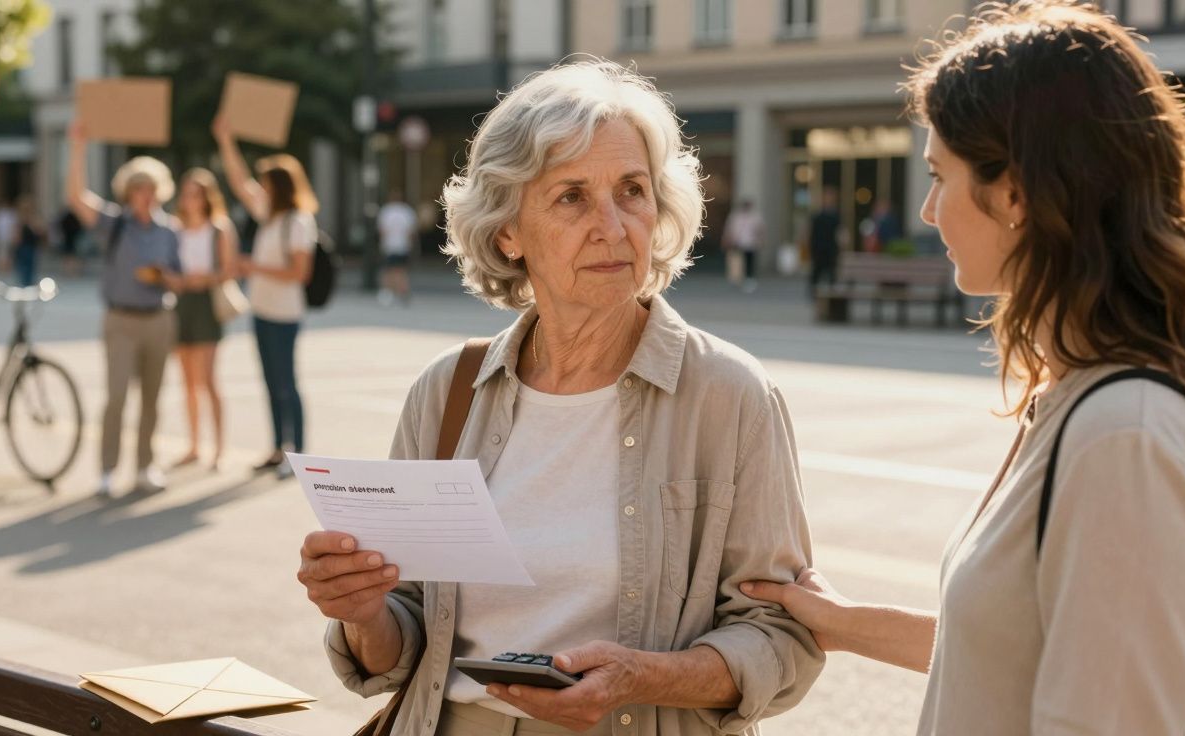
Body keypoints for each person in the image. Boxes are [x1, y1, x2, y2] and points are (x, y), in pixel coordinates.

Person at [297, 60, 823, 735]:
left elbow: (784, 637)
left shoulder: (730, 394)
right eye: (571, 196)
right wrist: (362, 608)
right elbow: (403, 644)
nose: (611, 224)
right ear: (508, 231)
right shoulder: (446, 391)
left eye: (631, 190)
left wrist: (643, 677)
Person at [743, 4, 1185, 734]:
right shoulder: (1075, 391)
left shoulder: (1122, 433)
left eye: (938, 175)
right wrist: (845, 621)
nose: (926, 211)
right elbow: (1020, 649)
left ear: (1015, 192)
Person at [66, 122, 183, 498]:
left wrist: (165, 277)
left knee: (152, 398)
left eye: (150, 189)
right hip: (120, 319)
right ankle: (106, 469)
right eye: (138, 189)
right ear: (128, 192)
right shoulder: (114, 224)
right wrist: (79, 147)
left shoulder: (170, 230)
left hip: (158, 318)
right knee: (117, 397)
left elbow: (180, 278)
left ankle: (146, 466)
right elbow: (76, 196)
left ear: (159, 191)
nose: (144, 196)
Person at [213, 115, 318, 476]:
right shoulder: (269, 215)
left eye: (266, 182)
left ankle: (299, 454)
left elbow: (299, 274)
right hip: (262, 309)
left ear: (280, 186)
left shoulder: (298, 221)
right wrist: (227, 141)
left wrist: (253, 266)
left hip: (285, 313)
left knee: (287, 382)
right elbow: (239, 182)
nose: (261, 187)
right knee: (271, 382)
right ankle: (278, 448)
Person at [171, 168, 238, 470]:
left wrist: (205, 279)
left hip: (207, 303)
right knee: (187, 382)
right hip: (181, 302)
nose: (190, 200)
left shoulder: (219, 229)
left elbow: (229, 269)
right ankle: (194, 444)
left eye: (196, 194)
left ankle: (219, 448)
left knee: (209, 379)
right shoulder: (175, 228)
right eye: (186, 194)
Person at [377, 189, 417, 305]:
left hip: (389, 245)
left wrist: (382, 243)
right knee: (401, 270)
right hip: (403, 245)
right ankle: (403, 290)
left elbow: (382, 230)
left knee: (389, 270)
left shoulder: (386, 211)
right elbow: (411, 231)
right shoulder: (407, 211)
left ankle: (387, 292)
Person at [721, 199, 765, 293]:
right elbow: (730, 228)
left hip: (750, 243)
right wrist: (728, 239)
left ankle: (749, 278)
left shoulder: (755, 217)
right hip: (738, 242)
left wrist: (760, 240)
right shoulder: (736, 216)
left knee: (749, 262)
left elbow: (760, 229)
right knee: (737, 262)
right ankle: (736, 278)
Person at [806, 189, 840, 296]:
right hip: (818, 246)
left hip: (830, 247)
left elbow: (840, 232)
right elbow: (810, 231)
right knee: (817, 271)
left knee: (830, 272)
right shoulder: (817, 215)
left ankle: (831, 295)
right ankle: (814, 293)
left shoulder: (835, 216)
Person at [12, 194, 46, 287]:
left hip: (28, 245)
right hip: (28, 245)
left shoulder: (26, 218)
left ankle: (26, 283)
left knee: (25, 266)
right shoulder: (24, 218)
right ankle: (27, 283)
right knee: (28, 266)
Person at [0, 200, 17, 274]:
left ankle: (6, 268)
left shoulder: (11, 213)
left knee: (8, 253)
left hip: (8, 236)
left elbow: (13, 225)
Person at [57, 207, 83, 277]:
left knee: (69, 256)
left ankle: (70, 271)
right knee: (71, 256)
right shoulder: (73, 217)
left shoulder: (67, 217)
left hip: (70, 238)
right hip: (72, 238)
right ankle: (71, 272)